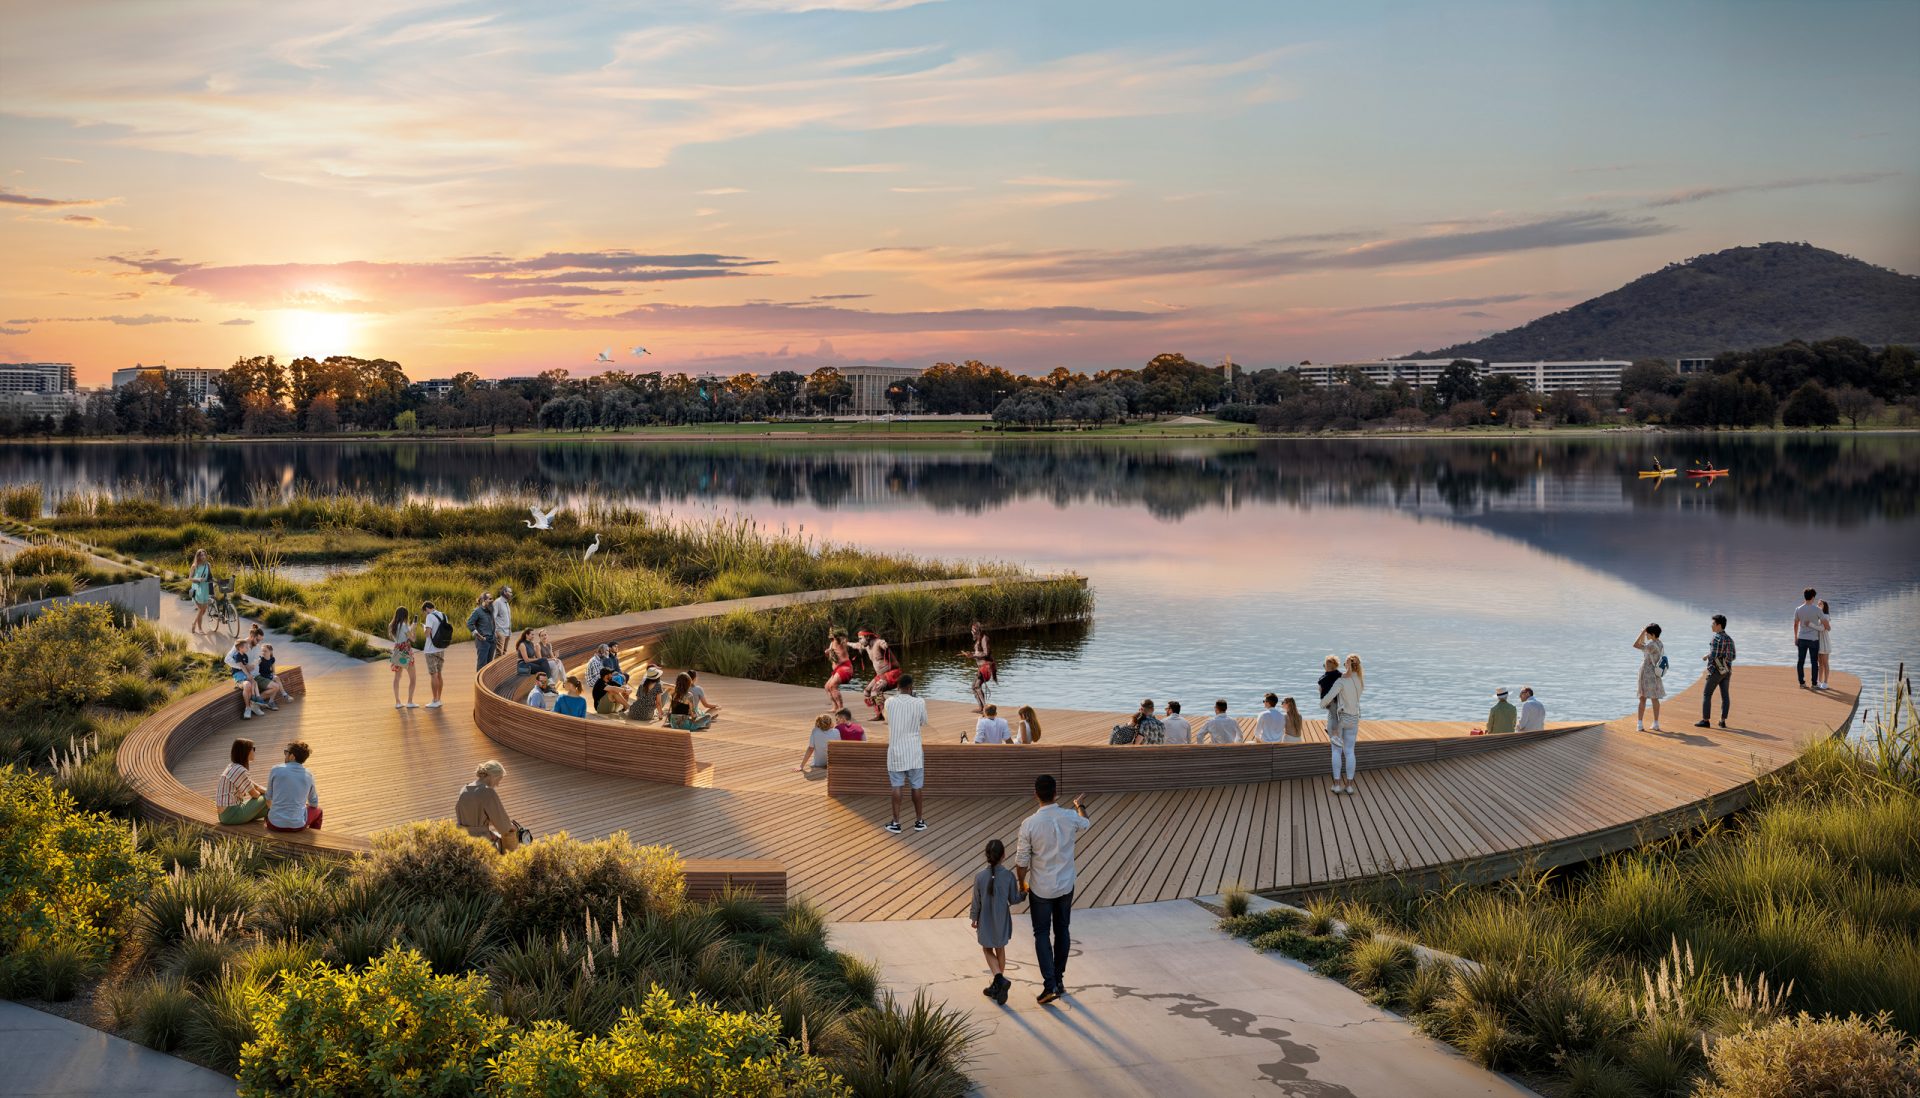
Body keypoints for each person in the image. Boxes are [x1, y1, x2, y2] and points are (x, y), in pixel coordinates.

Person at [1014, 773, 1089, 1005]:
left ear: (1036, 794)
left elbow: (1021, 861)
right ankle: (1059, 980)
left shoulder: (1029, 824)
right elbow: (1086, 822)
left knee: (1041, 934)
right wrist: (1080, 806)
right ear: (1056, 793)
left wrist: (1021, 883)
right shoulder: (1069, 816)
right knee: (1063, 931)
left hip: (1041, 888)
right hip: (1066, 885)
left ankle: (1050, 985)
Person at [883, 673, 933, 834]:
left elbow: (887, 719)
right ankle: (919, 821)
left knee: (896, 786)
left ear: (898, 687)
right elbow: (924, 721)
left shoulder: (889, 702)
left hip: (896, 750)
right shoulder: (919, 702)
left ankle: (896, 823)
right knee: (916, 786)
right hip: (914, 751)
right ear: (911, 687)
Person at [971, 838, 1017, 1006]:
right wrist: (1024, 893)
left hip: (986, 918)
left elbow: (976, 901)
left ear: (987, 856)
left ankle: (998, 980)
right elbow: (1014, 898)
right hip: (1002, 919)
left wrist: (974, 917)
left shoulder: (980, 877)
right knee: (1000, 948)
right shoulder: (1009, 876)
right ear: (1004, 855)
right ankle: (999, 985)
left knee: (986, 948)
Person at [455, 760, 522, 852]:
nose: (498, 784)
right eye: (499, 780)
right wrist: (513, 827)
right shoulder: (488, 792)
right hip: (480, 842)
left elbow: (472, 816)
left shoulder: (464, 789)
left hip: (461, 838)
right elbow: (503, 826)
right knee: (508, 847)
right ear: (493, 776)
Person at [1321, 654, 1364, 794]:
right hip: (1354, 720)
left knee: (1336, 751)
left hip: (1340, 720)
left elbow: (1327, 699)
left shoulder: (1341, 681)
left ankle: (1337, 785)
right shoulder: (1360, 681)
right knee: (1350, 751)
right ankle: (1350, 786)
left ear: (1347, 665)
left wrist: (1322, 704)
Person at [264, 741, 321, 832]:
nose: (285, 754)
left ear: (292, 756)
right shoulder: (309, 775)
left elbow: (268, 797)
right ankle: (310, 838)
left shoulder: (275, 769)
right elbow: (314, 803)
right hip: (298, 826)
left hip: (274, 824)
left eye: (286, 752)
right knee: (319, 811)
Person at [215, 737, 269, 825]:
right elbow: (255, 794)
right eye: (253, 749)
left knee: (267, 808)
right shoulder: (240, 771)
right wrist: (268, 793)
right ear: (246, 752)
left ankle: (273, 812)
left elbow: (255, 786)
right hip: (231, 813)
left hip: (224, 815)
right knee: (267, 797)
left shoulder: (232, 766)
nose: (254, 751)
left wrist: (266, 791)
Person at [1697, 614, 1735, 729]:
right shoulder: (1729, 639)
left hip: (1716, 670)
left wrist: (1706, 656)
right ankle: (1722, 721)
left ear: (1718, 625)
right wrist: (1724, 660)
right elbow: (1733, 656)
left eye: (1713, 623)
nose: (1711, 625)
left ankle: (1705, 720)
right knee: (1725, 696)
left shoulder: (1716, 638)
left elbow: (1713, 655)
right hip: (1727, 670)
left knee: (1707, 694)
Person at [854, 629, 902, 718]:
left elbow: (882, 643)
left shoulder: (878, 642)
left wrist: (884, 645)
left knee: (875, 692)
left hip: (891, 673)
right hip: (881, 675)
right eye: (859, 639)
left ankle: (886, 713)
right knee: (867, 692)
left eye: (861, 638)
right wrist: (845, 643)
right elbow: (855, 645)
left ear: (867, 637)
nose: (859, 641)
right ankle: (880, 713)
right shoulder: (866, 646)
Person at [1634, 624, 1666, 732]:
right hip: (1655, 674)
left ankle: (1639, 724)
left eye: (1647, 633)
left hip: (1646, 673)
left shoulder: (1651, 645)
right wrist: (1644, 634)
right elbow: (1642, 644)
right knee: (1654, 698)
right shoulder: (1659, 643)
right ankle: (1656, 723)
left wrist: (1641, 633)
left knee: (1642, 698)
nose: (1646, 634)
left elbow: (1636, 645)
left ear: (1652, 634)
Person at [225, 637, 266, 719]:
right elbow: (242, 667)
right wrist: (248, 675)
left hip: (245, 673)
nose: (248, 648)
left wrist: (253, 666)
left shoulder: (245, 656)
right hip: (239, 675)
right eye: (246, 647)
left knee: (254, 683)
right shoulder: (237, 655)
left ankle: (256, 701)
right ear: (240, 648)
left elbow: (246, 667)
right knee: (247, 685)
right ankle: (248, 708)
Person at [420, 599, 450, 709]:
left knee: (433, 675)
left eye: (425, 612)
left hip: (430, 650)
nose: (425, 614)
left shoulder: (429, 617)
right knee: (439, 674)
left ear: (427, 609)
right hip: (441, 649)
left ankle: (434, 700)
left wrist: (424, 627)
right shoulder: (443, 615)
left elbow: (427, 634)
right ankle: (439, 699)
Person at [960, 622, 993, 713]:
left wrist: (973, 656)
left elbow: (986, 654)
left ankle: (985, 708)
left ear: (977, 631)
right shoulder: (979, 640)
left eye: (973, 630)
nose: (972, 633)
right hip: (982, 667)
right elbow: (979, 653)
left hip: (985, 667)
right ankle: (981, 707)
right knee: (974, 687)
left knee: (977, 686)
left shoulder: (984, 639)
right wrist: (971, 654)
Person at [1792, 588, 1822, 690]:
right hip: (1813, 639)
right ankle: (1814, 684)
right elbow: (1824, 622)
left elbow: (1795, 625)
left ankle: (1802, 683)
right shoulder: (1817, 609)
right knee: (1814, 662)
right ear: (1813, 597)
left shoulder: (1798, 609)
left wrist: (1796, 637)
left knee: (1801, 661)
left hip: (1802, 638)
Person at [389, 606, 417, 709]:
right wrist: (413, 629)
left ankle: (398, 702)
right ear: (405, 615)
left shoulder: (392, 626)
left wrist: (410, 627)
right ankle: (409, 702)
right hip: (405, 651)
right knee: (413, 678)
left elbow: (402, 633)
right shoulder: (405, 626)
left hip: (397, 650)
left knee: (397, 678)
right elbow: (413, 639)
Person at [823, 627, 855, 711]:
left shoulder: (839, 640)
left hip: (845, 668)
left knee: (832, 686)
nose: (830, 634)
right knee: (827, 687)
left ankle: (841, 708)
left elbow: (840, 639)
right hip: (837, 669)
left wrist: (833, 628)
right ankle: (835, 707)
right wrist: (827, 652)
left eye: (831, 632)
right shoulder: (832, 643)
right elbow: (832, 657)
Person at [253, 643, 291, 709]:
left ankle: (273, 700)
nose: (263, 652)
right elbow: (255, 669)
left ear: (270, 651)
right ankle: (284, 694)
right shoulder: (260, 659)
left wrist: (273, 676)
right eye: (262, 651)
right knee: (276, 681)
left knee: (276, 678)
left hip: (268, 675)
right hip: (261, 677)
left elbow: (273, 671)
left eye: (265, 651)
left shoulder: (272, 659)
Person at [466, 593, 496, 672]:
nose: (492, 600)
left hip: (492, 640)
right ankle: (478, 683)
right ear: (483, 600)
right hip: (483, 641)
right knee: (482, 665)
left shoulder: (490, 610)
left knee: (489, 665)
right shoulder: (477, 611)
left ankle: (486, 683)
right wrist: (478, 636)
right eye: (490, 599)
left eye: (492, 598)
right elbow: (469, 623)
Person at [188, 549, 213, 634]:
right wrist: (198, 579)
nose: (203, 557)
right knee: (200, 609)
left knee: (204, 610)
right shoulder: (195, 566)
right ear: (198, 556)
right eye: (201, 555)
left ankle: (194, 623)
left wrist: (214, 583)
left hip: (205, 588)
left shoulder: (208, 565)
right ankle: (200, 629)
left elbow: (210, 576)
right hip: (197, 588)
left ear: (206, 556)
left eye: (204, 555)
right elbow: (190, 578)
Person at [491, 585, 514, 663]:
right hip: (500, 631)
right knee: (499, 653)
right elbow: (493, 617)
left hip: (508, 631)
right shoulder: (497, 602)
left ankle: (500, 672)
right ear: (504, 592)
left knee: (504, 652)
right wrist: (494, 631)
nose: (511, 594)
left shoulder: (506, 603)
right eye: (510, 592)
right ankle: (494, 670)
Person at [1817, 599, 1833, 691]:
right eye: (1818, 604)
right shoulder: (1817, 616)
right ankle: (1819, 681)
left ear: (1824, 606)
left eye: (1821, 604)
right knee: (1820, 663)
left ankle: (1825, 682)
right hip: (1818, 640)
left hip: (1824, 641)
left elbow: (1822, 628)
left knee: (1825, 662)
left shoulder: (1826, 616)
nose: (1818, 605)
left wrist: (1810, 624)